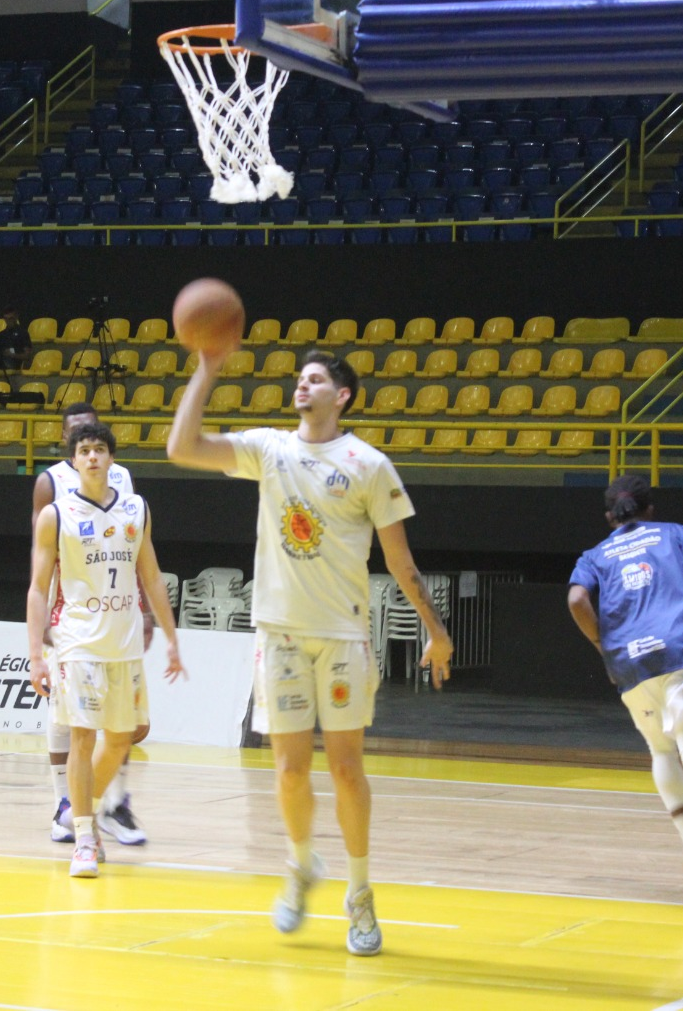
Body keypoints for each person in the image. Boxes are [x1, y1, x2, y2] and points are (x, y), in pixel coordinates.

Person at [168, 348, 453, 957]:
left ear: (342, 396)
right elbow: (181, 447)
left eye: (316, 379)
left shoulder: (369, 465)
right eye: (300, 378)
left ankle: (360, 895)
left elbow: (400, 562)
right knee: (290, 771)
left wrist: (435, 629)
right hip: (280, 635)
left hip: (345, 636)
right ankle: (300, 865)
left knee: (347, 769)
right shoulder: (270, 449)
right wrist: (207, 370)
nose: (303, 385)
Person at [27, 420, 183, 878]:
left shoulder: (136, 508)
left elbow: (151, 577)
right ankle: (83, 836)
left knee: (126, 736)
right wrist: (36, 653)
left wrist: (172, 637)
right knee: (83, 736)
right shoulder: (56, 515)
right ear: (72, 462)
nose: (92, 456)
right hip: (78, 642)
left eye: (99, 449)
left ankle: (85, 811)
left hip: (126, 641)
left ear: (112, 460)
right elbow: (38, 589)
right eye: (84, 450)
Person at [566, 475, 683, 911]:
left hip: (629, 661)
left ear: (608, 516)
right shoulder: (677, 534)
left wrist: (603, 645)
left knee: (661, 749)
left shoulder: (596, 554)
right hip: (678, 651)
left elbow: (577, 600)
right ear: (649, 509)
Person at [33, 401, 152, 847]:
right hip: (72, 615)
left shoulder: (122, 482)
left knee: (126, 729)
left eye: (95, 437)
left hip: (117, 616)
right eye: (79, 436)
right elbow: (40, 556)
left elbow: (133, 548)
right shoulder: (51, 484)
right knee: (70, 720)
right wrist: (42, 612)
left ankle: (111, 802)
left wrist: (143, 609)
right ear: (68, 443)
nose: (89, 445)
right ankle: (66, 806)